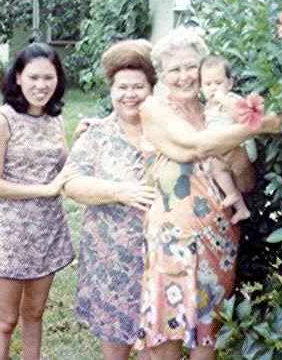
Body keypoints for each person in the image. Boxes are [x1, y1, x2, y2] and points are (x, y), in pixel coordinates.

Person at [134, 28, 282, 360]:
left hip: (219, 237)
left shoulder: (217, 114)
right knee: (168, 332)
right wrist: (259, 125)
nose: (184, 76)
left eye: (192, 66)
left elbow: (245, 183)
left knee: (209, 333)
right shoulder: (154, 109)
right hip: (171, 240)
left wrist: (237, 158)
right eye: (174, 69)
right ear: (161, 75)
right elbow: (193, 147)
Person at [0, 41, 86, 360]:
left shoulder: (54, 119)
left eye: (48, 78)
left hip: (47, 228)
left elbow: (63, 169)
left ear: (58, 80)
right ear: (18, 78)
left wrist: (78, 140)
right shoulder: (3, 119)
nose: (41, 86)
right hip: (10, 230)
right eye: (34, 77)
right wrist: (45, 189)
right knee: (6, 318)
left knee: (35, 313)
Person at [63, 39, 158, 360]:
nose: (130, 94)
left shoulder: (167, 132)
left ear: (151, 89)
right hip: (111, 263)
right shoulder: (97, 134)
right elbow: (72, 183)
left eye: (138, 87)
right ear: (111, 90)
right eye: (122, 87)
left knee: (154, 347)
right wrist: (120, 191)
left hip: (160, 261)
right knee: (115, 349)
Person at [199, 55, 256, 224]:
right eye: (208, 84)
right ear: (201, 87)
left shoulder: (231, 99)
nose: (213, 88)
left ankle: (233, 196)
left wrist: (224, 100)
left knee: (216, 165)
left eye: (218, 83)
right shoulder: (208, 107)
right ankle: (241, 208)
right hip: (224, 149)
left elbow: (242, 119)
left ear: (229, 83)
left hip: (241, 146)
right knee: (216, 168)